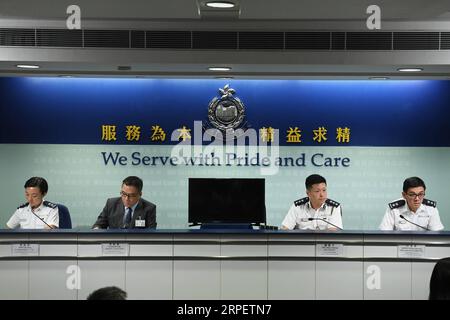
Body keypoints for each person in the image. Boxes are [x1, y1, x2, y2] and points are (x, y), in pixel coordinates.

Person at [379, 176, 444, 231]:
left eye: (421, 194)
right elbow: (385, 233)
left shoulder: (431, 209)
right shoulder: (394, 209)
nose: (417, 199)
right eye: (412, 195)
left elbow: (436, 235)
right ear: (404, 195)